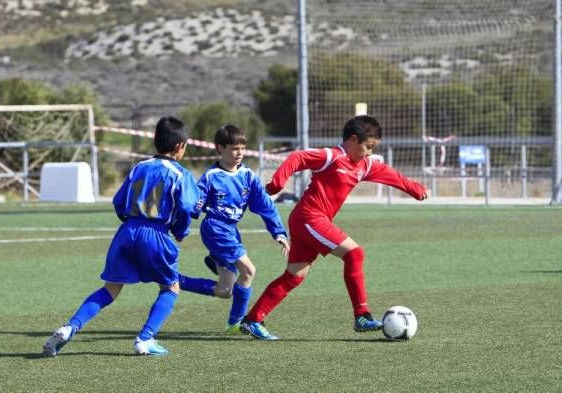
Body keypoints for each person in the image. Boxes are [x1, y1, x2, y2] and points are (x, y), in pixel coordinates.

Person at [240, 115, 427, 340]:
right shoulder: (332, 156)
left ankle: (253, 320)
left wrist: (414, 188)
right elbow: (298, 157)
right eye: (368, 147)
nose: (369, 152)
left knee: (294, 276)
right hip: (309, 217)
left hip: (312, 221)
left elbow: (389, 174)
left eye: (373, 148)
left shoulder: (364, 165)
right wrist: (277, 183)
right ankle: (362, 315)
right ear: (353, 140)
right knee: (355, 253)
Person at [42, 116, 198, 357]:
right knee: (171, 287)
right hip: (155, 233)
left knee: (111, 289)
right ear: (180, 146)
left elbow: (118, 201)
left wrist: (130, 223)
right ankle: (145, 339)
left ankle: (70, 326)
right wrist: (180, 231)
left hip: (127, 231)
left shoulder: (139, 167)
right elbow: (187, 207)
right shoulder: (180, 174)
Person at [178, 125, 289, 334]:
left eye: (242, 148)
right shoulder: (211, 176)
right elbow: (191, 205)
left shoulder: (248, 176)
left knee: (224, 291)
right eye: (234, 149)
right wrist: (180, 226)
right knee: (249, 271)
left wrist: (279, 233)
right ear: (220, 149)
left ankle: (174, 280)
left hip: (230, 230)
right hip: (215, 229)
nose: (239, 154)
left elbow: (265, 205)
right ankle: (237, 323)